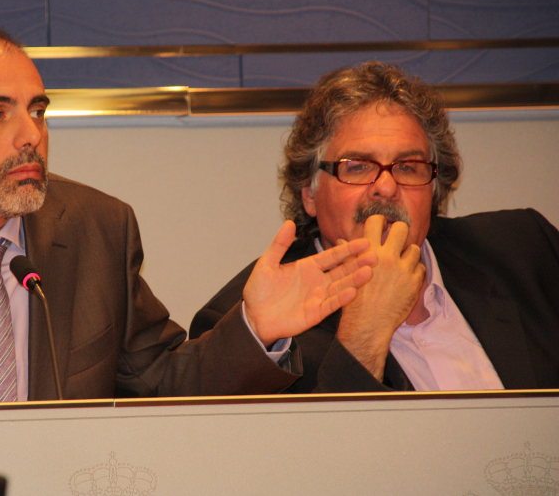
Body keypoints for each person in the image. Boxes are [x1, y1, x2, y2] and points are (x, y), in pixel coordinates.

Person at [0, 23, 376, 410]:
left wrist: (257, 328)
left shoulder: (97, 232)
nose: (31, 134)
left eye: (37, 110)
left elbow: (164, 385)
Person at [191, 61, 559, 393]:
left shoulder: (527, 250)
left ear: (433, 190)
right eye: (357, 167)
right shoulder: (256, 331)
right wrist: (365, 332)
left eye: (407, 167)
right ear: (310, 194)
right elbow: (306, 448)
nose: (386, 186)